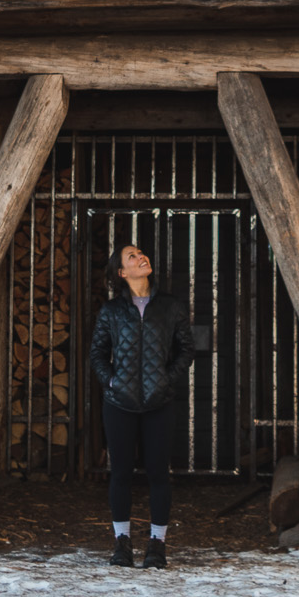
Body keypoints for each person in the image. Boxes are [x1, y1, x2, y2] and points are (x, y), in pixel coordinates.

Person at [89, 242, 193, 570]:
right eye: (132, 256)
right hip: (119, 404)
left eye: (141, 253)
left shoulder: (170, 307)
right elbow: (97, 353)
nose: (141, 257)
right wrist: (112, 382)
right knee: (120, 474)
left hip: (158, 403)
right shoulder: (110, 312)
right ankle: (122, 543)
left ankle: (157, 545)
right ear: (122, 273)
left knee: (159, 474)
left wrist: (166, 380)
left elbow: (186, 349)